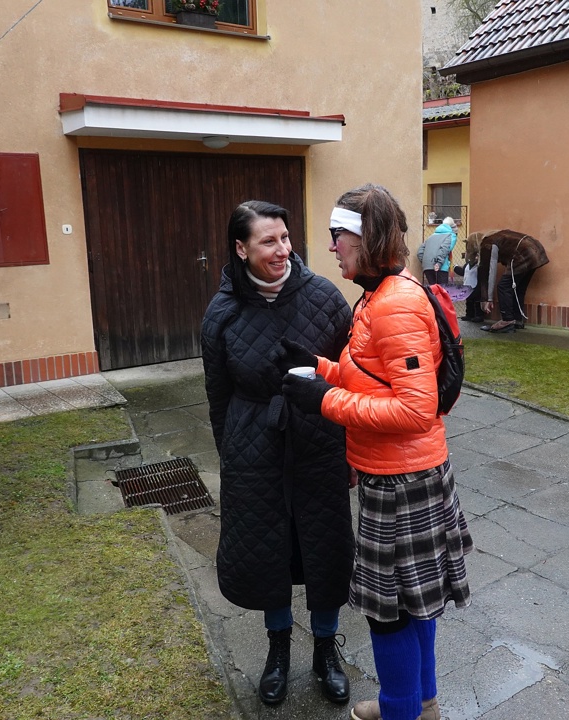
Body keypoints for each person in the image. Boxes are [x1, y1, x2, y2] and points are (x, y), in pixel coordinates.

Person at [277, 184, 472, 720]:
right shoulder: (378, 295)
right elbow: (374, 377)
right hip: (403, 473)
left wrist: (325, 400)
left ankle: (401, 710)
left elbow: (415, 409)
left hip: (402, 481)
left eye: (337, 236)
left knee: (389, 614)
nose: (331, 247)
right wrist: (320, 368)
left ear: (367, 239)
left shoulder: (394, 304)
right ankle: (421, 706)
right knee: (413, 603)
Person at [200, 200, 354, 708]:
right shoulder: (221, 313)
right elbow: (218, 395)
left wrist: (352, 450)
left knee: (325, 547)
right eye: (268, 241)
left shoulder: (324, 298)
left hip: (319, 439)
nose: (282, 249)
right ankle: (278, 650)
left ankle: (327, 649)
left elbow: (352, 379)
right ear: (241, 248)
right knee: (268, 550)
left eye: (285, 238)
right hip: (253, 444)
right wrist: (230, 455)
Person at [477, 228, 548, 333]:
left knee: (503, 286)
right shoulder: (502, 236)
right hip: (537, 251)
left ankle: (507, 320)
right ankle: (517, 320)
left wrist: (487, 298)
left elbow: (489, 270)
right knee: (517, 288)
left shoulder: (487, 243)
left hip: (524, 254)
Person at [415, 219, 454, 286]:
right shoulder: (449, 236)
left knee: (433, 289)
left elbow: (420, 252)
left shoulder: (430, 237)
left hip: (427, 267)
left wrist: (426, 262)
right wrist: (438, 263)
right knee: (442, 289)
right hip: (441, 268)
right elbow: (444, 250)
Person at [455, 232, 483, 322]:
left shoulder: (479, 265)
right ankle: (469, 315)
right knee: (469, 301)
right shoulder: (467, 264)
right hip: (467, 285)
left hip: (476, 286)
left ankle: (478, 316)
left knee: (477, 301)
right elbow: (463, 272)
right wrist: (455, 267)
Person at [436, 217, 458, 286]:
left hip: (431, 264)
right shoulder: (452, 235)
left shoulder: (436, 233)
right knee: (443, 288)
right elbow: (447, 249)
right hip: (442, 265)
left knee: (434, 287)